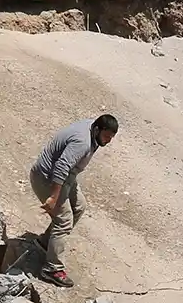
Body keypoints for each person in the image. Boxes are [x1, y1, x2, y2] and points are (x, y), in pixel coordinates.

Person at [30, 115, 119, 288]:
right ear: (97, 129)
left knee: (79, 206)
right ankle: (52, 269)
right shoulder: (82, 142)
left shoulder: (92, 129)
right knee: (63, 221)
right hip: (48, 177)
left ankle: (46, 242)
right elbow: (61, 166)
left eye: (111, 137)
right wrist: (54, 198)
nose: (108, 141)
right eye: (106, 136)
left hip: (66, 176)